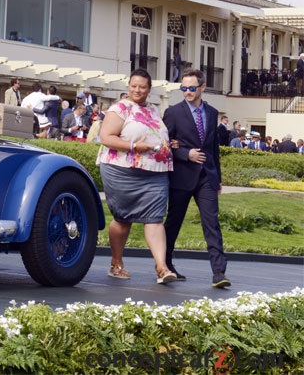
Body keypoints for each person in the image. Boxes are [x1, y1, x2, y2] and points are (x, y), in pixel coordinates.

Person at [96, 68, 176, 284]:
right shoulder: (120, 108)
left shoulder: (153, 109)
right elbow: (105, 137)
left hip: (155, 173)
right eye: (133, 86)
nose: (137, 90)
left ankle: (161, 268)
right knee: (123, 219)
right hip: (122, 170)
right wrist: (133, 146)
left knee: (155, 218)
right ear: (128, 87)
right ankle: (116, 263)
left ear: (149, 89)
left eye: (142, 86)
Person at [162, 69, 230, 288]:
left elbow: (213, 148)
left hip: (206, 178)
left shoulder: (212, 113)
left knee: (212, 224)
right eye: (184, 88)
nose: (187, 92)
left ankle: (219, 272)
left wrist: (217, 178)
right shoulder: (173, 112)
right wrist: (185, 153)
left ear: (202, 87)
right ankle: (166, 266)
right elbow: (164, 146)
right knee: (173, 223)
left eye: (192, 88)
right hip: (181, 176)